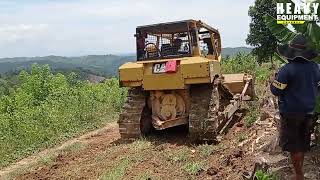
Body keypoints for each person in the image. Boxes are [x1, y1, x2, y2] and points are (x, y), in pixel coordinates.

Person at [270, 34, 320, 180]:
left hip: (291, 113)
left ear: (291, 53)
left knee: (294, 145)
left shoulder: (287, 70)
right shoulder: (316, 68)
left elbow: (276, 90)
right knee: (303, 143)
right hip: (308, 111)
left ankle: (298, 175)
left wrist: (274, 81)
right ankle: (299, 173)